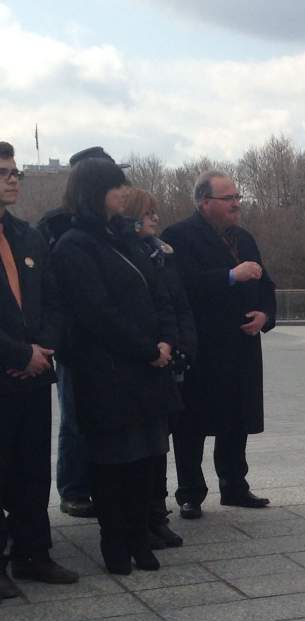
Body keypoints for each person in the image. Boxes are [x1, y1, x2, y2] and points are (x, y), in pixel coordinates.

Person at [50, 158, 181, 574]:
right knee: (112, 460)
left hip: (145, 367)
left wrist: (165, 340)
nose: (123, 193)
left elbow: (158, 294)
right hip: (106, 370)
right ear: (93, 193)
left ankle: (141, 535)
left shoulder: (125, 238)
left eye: (123, 186)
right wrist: (146, 347)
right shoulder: (74, 244)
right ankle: (115, 540)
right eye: (114, 187)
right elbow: (97, 313)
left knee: (146, 456)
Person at [163, 170, 275, 519]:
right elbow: (180, 286)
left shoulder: (243, 237)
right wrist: (230, 276)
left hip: (241, 346)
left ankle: (235, 486)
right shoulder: (178, 235)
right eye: (229, 199)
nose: (237, 204)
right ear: (205, 202)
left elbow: (266, 283)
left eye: (238, 197)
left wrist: (265, 316)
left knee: (236, 419)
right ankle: (190, 493)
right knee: (192, 423)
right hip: (203, 347)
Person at [0, 140, 78, 599]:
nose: (13, 178)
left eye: (14, 171)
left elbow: (54, 300)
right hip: (7, 369)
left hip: (33, 374)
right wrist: (17, 355)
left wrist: (44, 347)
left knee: (31, 469)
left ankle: (33, 553)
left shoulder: (28, 236)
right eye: (4, 171)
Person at [37, 146, 126, 519]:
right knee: (74, 419)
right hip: (75, 340)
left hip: (113, 344)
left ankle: (106, 486)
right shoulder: (55, 225)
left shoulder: (118, 226)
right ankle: (74, 489)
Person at [122, 188, 198, 548]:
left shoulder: (163, 257)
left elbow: (177, 303)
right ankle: (141, 517)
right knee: (143, 444)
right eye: (148, 213)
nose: (155, 219)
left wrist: (182, 343)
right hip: (143, 361)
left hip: (171, 357)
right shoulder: (128, 256)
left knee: (160, 443)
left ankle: (157, 513)